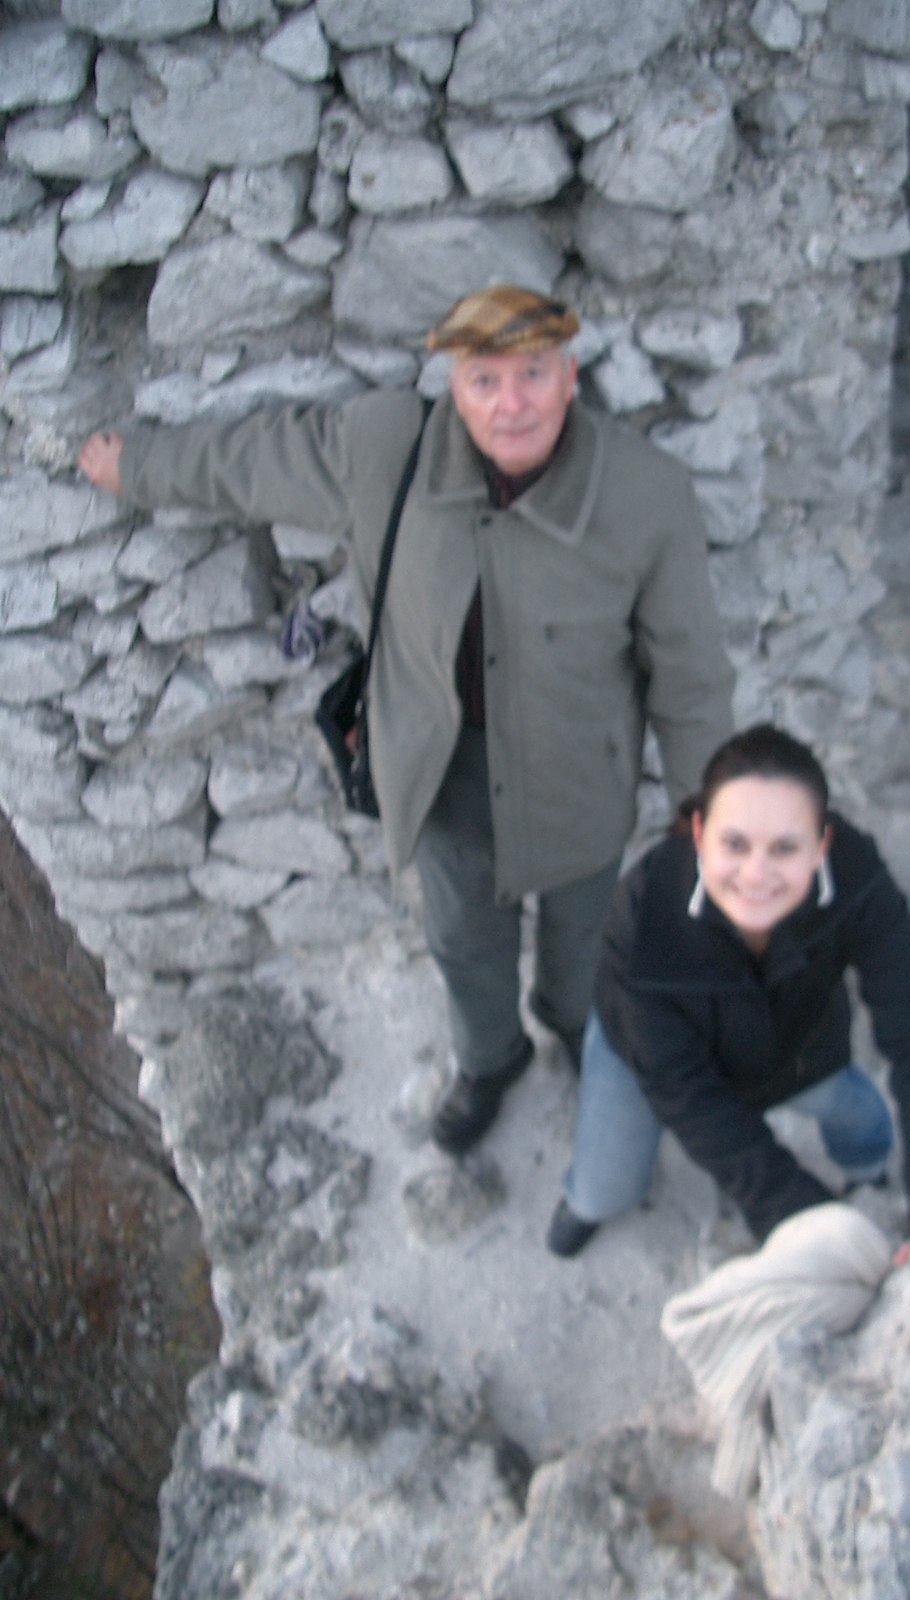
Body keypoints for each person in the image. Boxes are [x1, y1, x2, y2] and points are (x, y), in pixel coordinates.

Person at [78, 286, 734, 1155]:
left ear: (570, 376)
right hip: (445, 770)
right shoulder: (385, 448)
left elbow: (689, 676)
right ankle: (491, 1058)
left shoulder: (647, 492)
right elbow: (251, 462)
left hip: (583, 772)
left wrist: (713, 817)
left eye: (533, 374)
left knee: (584, 934)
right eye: (484, 379)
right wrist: (138, 466)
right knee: (464, 941)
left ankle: (577, 1026)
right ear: (453, 386)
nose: (511, 403)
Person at [547, 724, 910, 1272]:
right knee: (604, 1189)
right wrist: (804, 1218)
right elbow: (689, 1095)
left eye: (785, 847)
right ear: (699, 834)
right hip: (648, 1056)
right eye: (735, 844)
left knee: (858, 1114)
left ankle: (868, 1171)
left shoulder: (855, 877)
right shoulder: (645, 917)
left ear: (822, 844)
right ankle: (586, 1202)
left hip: (791, 1040)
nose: (757, 875)